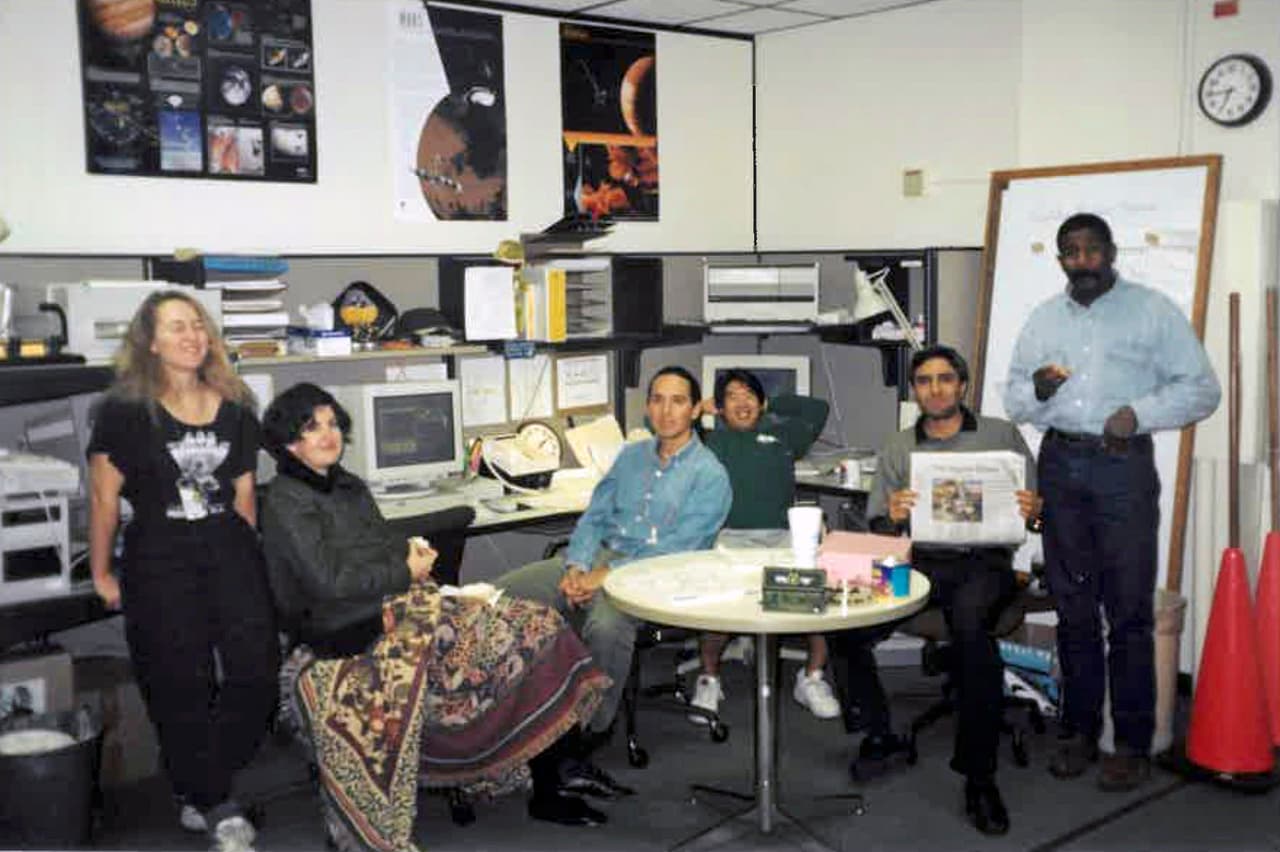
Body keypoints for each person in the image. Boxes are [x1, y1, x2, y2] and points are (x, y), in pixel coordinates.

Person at [258, 383, 613, 829]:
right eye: (312, 427)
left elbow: (383, 546)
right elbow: (329, 583)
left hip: (396, 602)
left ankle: (560, 770)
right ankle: (549, 783)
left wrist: (413, 558)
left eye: (332, 424)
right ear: (289, 440)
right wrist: (404, 572)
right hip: (345, 626)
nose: (328, 435)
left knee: (540, 621)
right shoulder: (287, 501)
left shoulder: (347, 486)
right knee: (511, 640)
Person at [1004, 212, 1221, 792]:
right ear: (1060, 261)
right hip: (1061, 465)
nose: (1082, 261)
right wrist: (1039, 390)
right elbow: (1015, 397)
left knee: (1127, 614)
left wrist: (1140, 415)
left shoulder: (1151, 310)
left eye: (1091, 250)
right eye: (1070, 252)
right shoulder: (1044, 318)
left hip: (1122, 466)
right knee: (1073, 610)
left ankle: (1129, 744)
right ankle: (1076, 732)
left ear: (1111, 251)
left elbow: (1202, 388)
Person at [87, 290, 278, 852]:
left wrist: (246, 556)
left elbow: (245, 497)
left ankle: (197, 784)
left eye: (198, 326)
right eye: (176, 327)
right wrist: (102, 573)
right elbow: (103, 501)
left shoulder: (237, 405)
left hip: (228, 547)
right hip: (159, 553)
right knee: (179, 681)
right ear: (150, 341)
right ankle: (216, 804)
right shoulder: (123, 413)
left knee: (256, 674)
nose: (192, 336)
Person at [843, 345, 1041, 836]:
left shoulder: (1001, 435)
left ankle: (979, 777)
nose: (935, 389)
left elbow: (1036, 511)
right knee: (845, 625)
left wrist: (1033, 508)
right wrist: (892, 513)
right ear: (915, 391)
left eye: (945, 379)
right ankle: (879, 732)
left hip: (983, 562)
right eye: (925, 381)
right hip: (917, 559)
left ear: (963, 384)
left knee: (972, 632)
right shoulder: (898, 447)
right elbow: (876, 524)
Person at [495, 366, 731, 772]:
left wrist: (603, 577)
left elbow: (679, 549)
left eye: (678, 401)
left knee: (606, 626)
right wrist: (576, 566)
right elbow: (595, 517)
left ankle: (589, 730)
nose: (666, 410)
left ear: (695, 411)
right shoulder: (632, 456)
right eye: (657, 399)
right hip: (600, 559)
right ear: (647, 407)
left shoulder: (710, 475)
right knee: (500, 594)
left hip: (657, 577)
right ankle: (505, 719)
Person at [690, 368, 840, 721]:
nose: (742, 402)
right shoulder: (710, 442)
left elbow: (816, 409)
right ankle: (709, 679)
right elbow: (659, 428)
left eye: (749, 395)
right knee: (717, 612)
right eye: (732, 396)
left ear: (761, 402)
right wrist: (701, 408)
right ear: (720, 407)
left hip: (782, 538)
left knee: (813, 602)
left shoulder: (783, 435)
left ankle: (812, 677)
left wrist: (771, 400)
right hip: (728, 538)